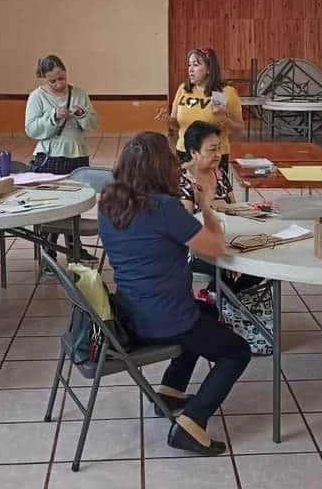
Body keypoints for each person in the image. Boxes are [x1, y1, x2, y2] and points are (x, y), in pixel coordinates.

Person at [98, 131, 251, 456]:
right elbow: (216, 246)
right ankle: (192, 425)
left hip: (128, 312)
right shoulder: (164, 207)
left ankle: (170, 390)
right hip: (164, 319)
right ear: (160, 168)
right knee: (237, 351)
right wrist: (206, 203)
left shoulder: (108, 202)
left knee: (207, 314)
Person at [177, 121, 262, 300]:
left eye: (219, 148)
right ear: (193, 152)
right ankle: (223, 302)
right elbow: (187, 230)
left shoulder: (218, 174)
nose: (218, 155)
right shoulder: (183, 180)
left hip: (227, 240)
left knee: (263, 262)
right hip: (197, 251)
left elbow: (234, 208)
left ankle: (224, 299)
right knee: (227, 267)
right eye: (212, 149)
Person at [155, 47, 243, 175]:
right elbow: (176, 125)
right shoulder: (183, 90)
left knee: (213, 193)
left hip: (213, 154)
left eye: (196, 65)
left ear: (209, 69)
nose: (190, 69)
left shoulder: (226, 92)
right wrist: (167, 119)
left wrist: (223, 119)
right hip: (185, 152)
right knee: (186, 192)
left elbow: (239, 129)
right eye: (189, 65)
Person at [24, 55, 98, 174]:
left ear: (65, 72)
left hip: (78, 155)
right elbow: (31, 130)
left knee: (79, 190)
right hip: (50, 156)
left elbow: (93, 125)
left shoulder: (79, 93)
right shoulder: (37, 96)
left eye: (62, 78)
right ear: (44, 78)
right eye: (52, 81)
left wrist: (82, 114)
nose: (59, 84)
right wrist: (53, 116)